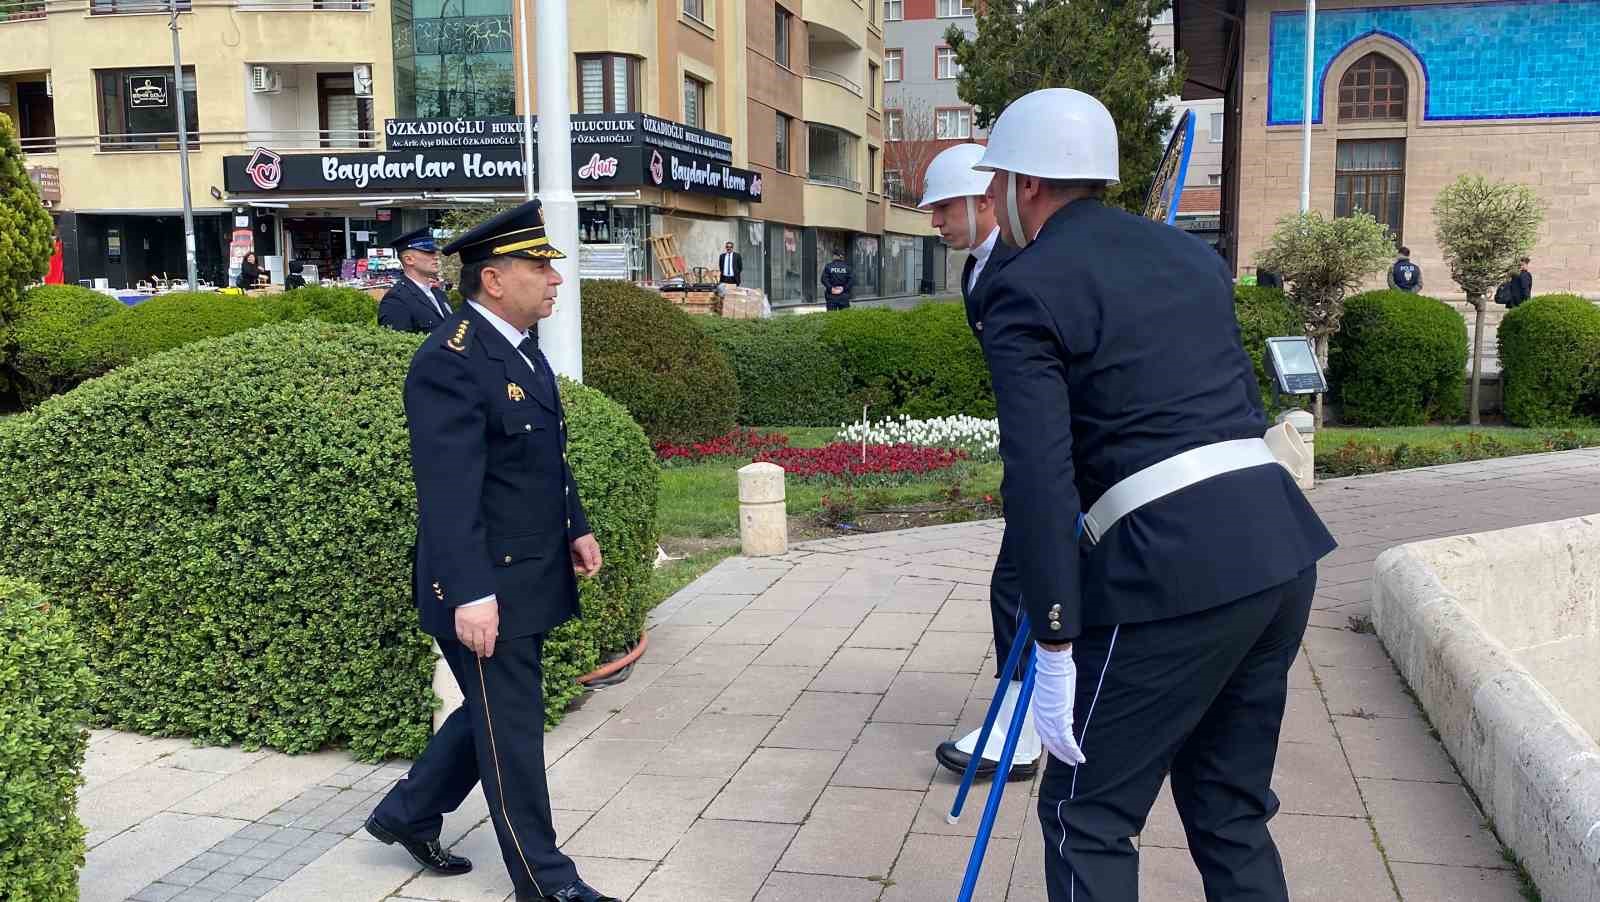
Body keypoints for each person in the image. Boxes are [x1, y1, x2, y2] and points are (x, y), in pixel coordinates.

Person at [971, 88, 1335, 902]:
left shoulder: (1023, 287)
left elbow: (1037, 478)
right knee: (1229, 810)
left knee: (1086, 816)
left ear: (1028, 185)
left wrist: (1055, 642)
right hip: (1278, 548)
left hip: (1170, 574)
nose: (994, 201)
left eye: (997, 184)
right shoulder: (1190, 258)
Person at [365, 200, 619, 902]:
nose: (555, 280)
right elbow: (448, 494)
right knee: (511, 731)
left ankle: (408, 812)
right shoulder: (448, 363)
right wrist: (471, 593)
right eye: (540, 267)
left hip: (529, 567)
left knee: (498, 711)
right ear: (495, 280)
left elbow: (542, 454)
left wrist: (576, 522)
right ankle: (546, 884)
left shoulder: (517, 346)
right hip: (485, 583)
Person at [917, 142, 1036, 783]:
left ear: (984, 200)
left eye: (943, 209)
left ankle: (1021, 727)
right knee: (1025, 584)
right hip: (1030, 447)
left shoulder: (1022, 267)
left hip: (1058, 457)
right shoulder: (976, 272)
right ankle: (1033, 712)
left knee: (1017, 585)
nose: (935, 223)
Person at [379, 227, 454, 333]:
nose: (436, 257)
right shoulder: (396, 300)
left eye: (435, 252)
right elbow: (399, 346)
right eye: (429, 252)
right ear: (408, 260)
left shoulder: (437, 292)